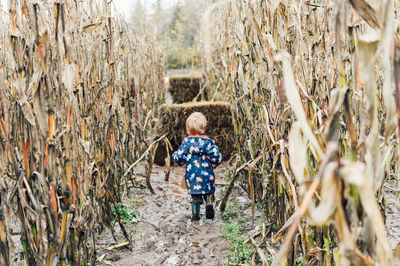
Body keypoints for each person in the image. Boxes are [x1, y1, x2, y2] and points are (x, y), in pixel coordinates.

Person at [172, 112, 222, 221]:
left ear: (188, 129)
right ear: (203, 128)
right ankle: (209, 202)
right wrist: (213, 164)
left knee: (195, 195)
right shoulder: (209, 142)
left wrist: (175, 156)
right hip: (207, 175)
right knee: (209, 190)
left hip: (193, 176)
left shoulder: (187, 142)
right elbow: (216, 157)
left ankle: (195, 213)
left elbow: (179, 157)